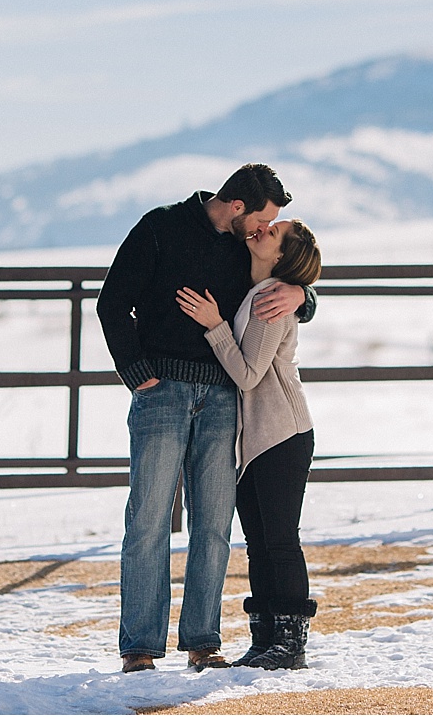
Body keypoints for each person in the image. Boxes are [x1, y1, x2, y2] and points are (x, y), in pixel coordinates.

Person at [97, 164, 316, 674]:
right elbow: (113, 302)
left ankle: (202, 641)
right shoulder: (160, 226)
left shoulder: (248, 247)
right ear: (238, 207)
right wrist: (136, 372)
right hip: (162, 393)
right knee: (149, 520)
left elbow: (290, 275)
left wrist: (305, 297)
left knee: (214, 524)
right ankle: (140, 648)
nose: (265, 230)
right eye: (264, 219)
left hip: (223, 398)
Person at [176, 218, 322, 670]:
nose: (261, 231)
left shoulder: (270, 297)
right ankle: (265, 640)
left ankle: (290, 642)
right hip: (257, 437)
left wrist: (215, 324)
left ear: (281, 256)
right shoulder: (257, 285)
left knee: (279, 540)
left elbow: (247, 374)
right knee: (259, 542)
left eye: (273, 232)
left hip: (281, 432)